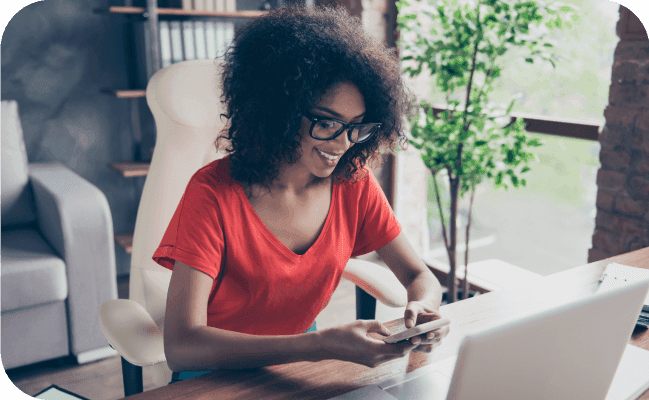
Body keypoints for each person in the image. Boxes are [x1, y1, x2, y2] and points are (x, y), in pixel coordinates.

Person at [152, 4, 450, 384]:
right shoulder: (212, 193)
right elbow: (181, 346)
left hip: (299, 371)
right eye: (327, 122)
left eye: (357, 126)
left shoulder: (352, 184)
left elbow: (418, 274)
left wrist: (425, 307)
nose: (343, 142)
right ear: (279, 112)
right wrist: (318, 345)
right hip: (213, 376)